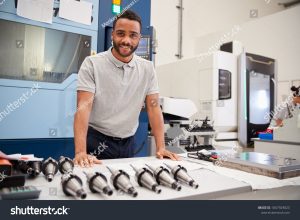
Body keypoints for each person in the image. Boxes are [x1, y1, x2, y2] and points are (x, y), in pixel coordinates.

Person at [73, 10, 180, 167]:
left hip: (128, 143)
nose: (126, 40)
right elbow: (83, 107)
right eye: (121, 33)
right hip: (97, 141)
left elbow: (153, 107)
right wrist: (80, 152)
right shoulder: (92, 64)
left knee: (125, 185)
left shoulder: (147, 68)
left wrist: (161, 147)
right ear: (112, 35)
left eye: (133, 35)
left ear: (139, 38)